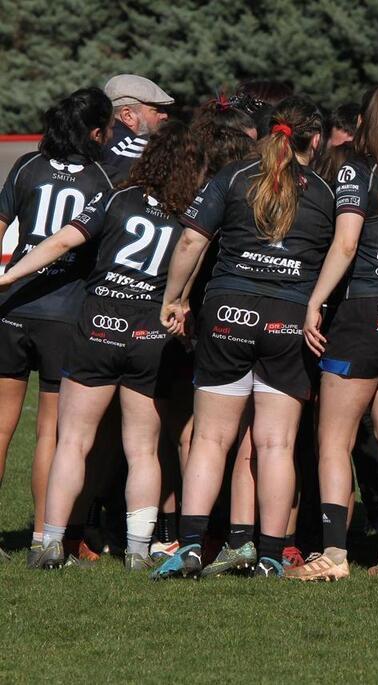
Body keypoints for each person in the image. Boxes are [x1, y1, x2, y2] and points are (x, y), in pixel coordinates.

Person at [0, 121, 202, 570]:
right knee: (143, 449)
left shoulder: (115, 197)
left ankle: (49, 546)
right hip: (150, 333)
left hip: (97, 326)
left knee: (72, 440)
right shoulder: (194, 214)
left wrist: (12, 274)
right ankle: (136, 551)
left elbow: (64, 240)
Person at [153, 96, 334, 579]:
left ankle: (190, 548)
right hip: (289, 320)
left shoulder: (233, 177)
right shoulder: (323, 190)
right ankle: (272, 555)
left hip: (229, 313)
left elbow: (192, 240)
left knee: (211, 439)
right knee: (276, 445)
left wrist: (175, 298)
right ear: (313, 141)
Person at [289, 82, 378, 581]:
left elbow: (345, 244)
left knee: (334, 440)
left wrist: (315, 302)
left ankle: (335, 555)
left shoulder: (356, 169)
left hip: (364, 310)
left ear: (364, 121)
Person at [0, 88, 116, 565]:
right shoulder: (102, 180)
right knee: (50, 432)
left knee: (1, 428)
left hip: (11, 307)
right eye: (107, 129)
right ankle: (43, 541)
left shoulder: (26, 165)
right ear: (94, 132)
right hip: (64, 315)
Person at [102, 74, 173, 183]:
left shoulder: (90, 141)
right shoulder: (143, 151)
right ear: (128, 115)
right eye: (156, 109)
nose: (164, 115)